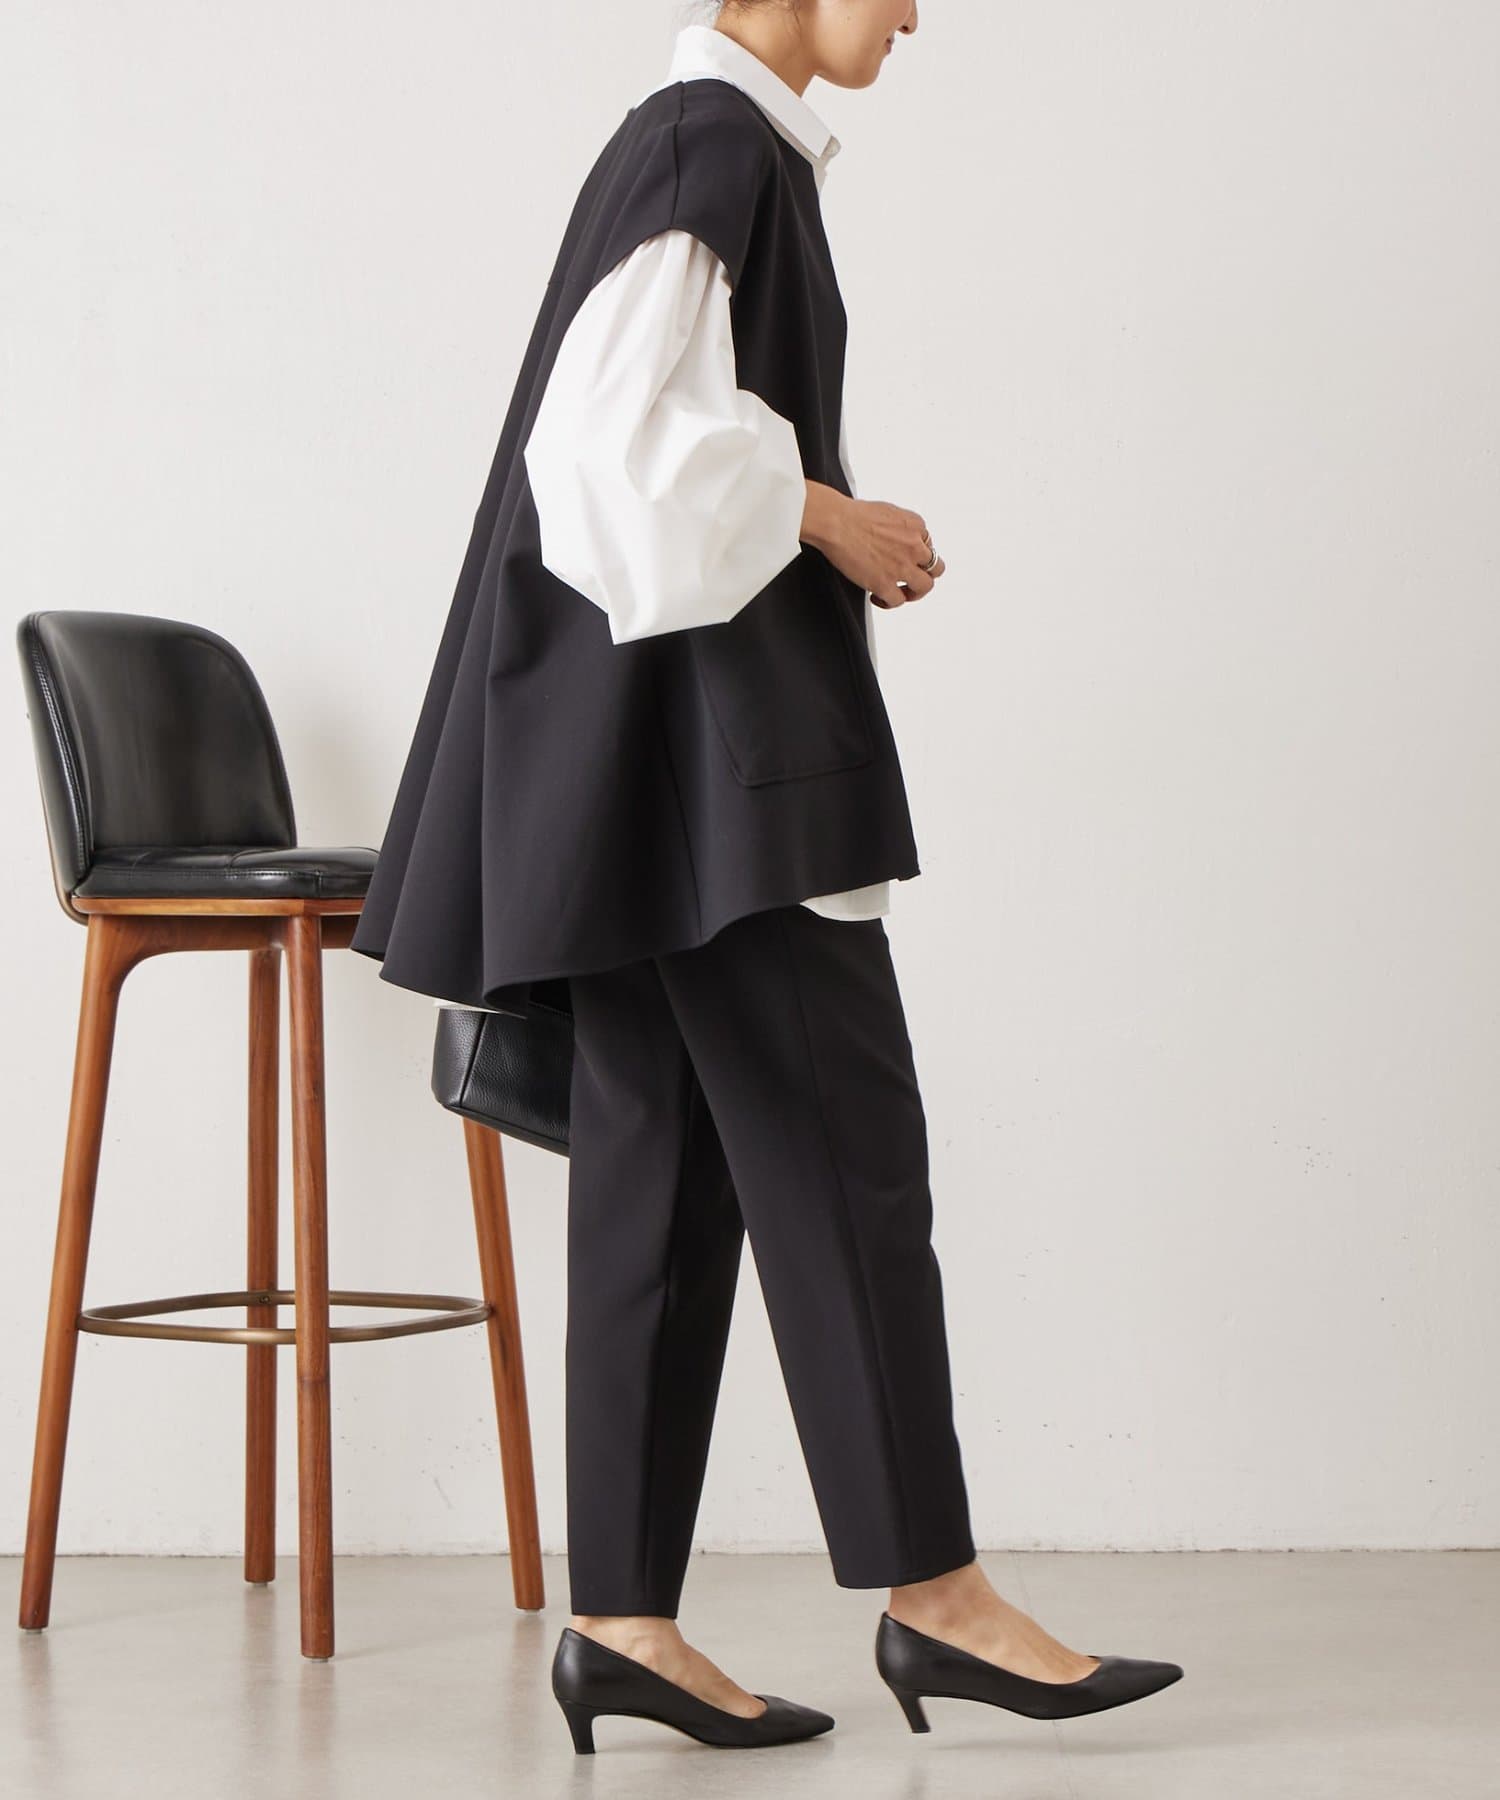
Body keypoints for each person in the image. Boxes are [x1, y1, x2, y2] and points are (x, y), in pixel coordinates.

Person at [352, 0, 1185, 1754]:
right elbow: (597, 451)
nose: (915, 11)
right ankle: (936, 1598)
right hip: (719, 765)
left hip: (638, 767)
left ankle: (622, 1622)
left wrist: (811, 514)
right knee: (847, 1156)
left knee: (658, 1181)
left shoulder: (714, 151)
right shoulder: (708, 148)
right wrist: (822, 509)